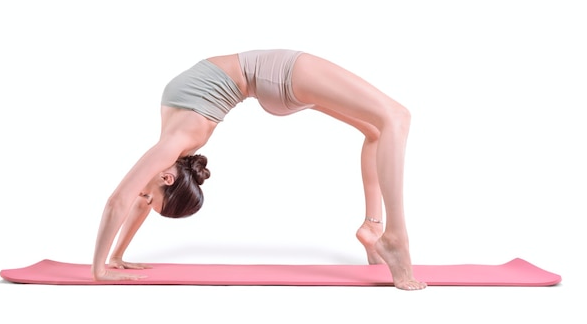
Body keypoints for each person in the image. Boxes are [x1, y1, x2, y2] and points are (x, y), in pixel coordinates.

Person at [92, 49, 427, 290]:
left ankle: (373, 228)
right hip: (280, 74)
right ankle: (396, 238)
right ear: (168, 178)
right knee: (397, 116)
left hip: (271, 84)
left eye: (147, 197)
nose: (141, 197)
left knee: (376, 131)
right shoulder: (174, 146)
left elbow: (130, 202)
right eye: (148, 195)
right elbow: (117, 201)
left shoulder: (172, 149)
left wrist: (115, 256)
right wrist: (100, 270)